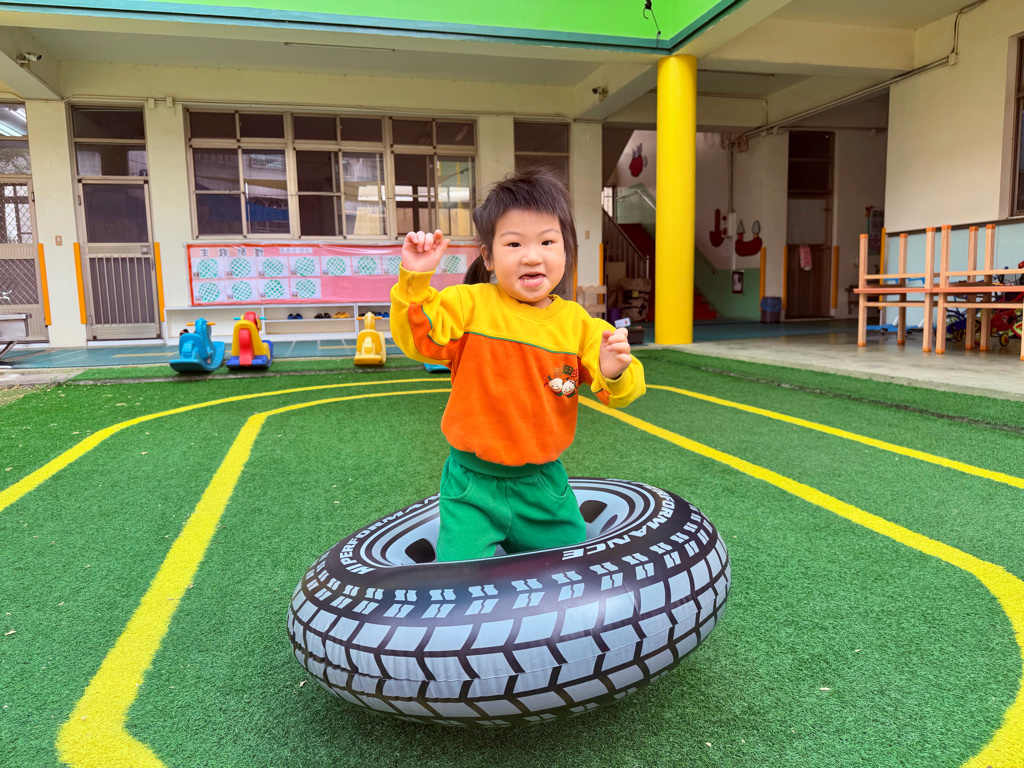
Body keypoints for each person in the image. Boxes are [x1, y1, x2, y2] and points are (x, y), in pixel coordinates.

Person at [390, 168, 646, 562]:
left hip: (543, 489)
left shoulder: (579, 325)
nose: (532, 255)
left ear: (566, 252)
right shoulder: (468, 304)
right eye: (513, 243)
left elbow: (627, 390)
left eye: (547, 241)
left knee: (573, 570)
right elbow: (418, 339)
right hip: (471, 487)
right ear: (489, 257)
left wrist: (615, 370)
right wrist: (416, 279)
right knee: (456, 577)